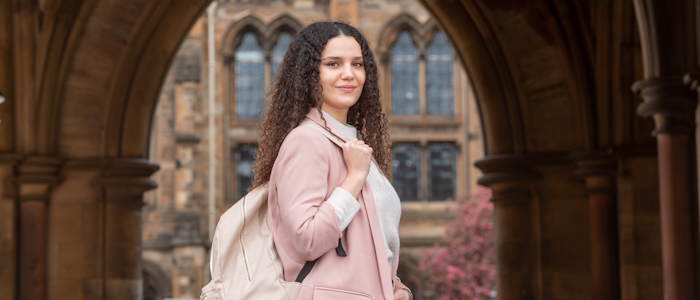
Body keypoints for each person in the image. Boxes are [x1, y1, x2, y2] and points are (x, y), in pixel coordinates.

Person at [250, 21, 412, 300]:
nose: (349, 74)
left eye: (357, 64)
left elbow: (369, 243)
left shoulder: (352, 146)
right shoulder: (306, 141)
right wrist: (354, 179)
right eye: (334, 64)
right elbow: (308, 239)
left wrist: (396, 286)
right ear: (310, 74)